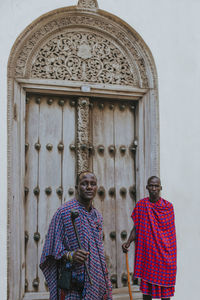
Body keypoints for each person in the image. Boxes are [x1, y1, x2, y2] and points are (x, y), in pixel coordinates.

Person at [40, 171, 112, 300]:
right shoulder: (64, 213)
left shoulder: (97, 216)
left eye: (93, 184)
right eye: (84, 184)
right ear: (77, 187)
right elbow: (50, 250)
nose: (89, 187)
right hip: (73, 283)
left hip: (95, 280)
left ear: (96, 187)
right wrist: (71, 255)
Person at [122, 176, 177, 300]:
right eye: (151, 186)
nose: (153, 188)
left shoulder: (168, 207)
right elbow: (137, 227)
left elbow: (170, 234)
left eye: (156, 186)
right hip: (149, 256)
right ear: (147, 187)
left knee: (166, 293)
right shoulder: (142, 205)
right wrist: (128, 242)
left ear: (160, 188)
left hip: (165, 256)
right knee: (146, 293)